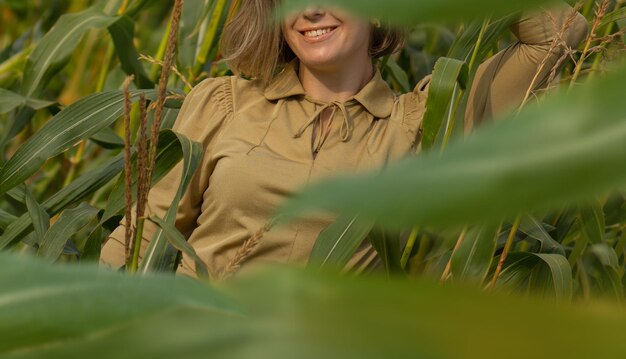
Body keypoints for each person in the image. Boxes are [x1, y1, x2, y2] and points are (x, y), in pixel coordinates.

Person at [100, 1, 588, 278]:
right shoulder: (223, 103)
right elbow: (141, 237)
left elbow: (561, 33)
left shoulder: (425, 126)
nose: (311, 10)